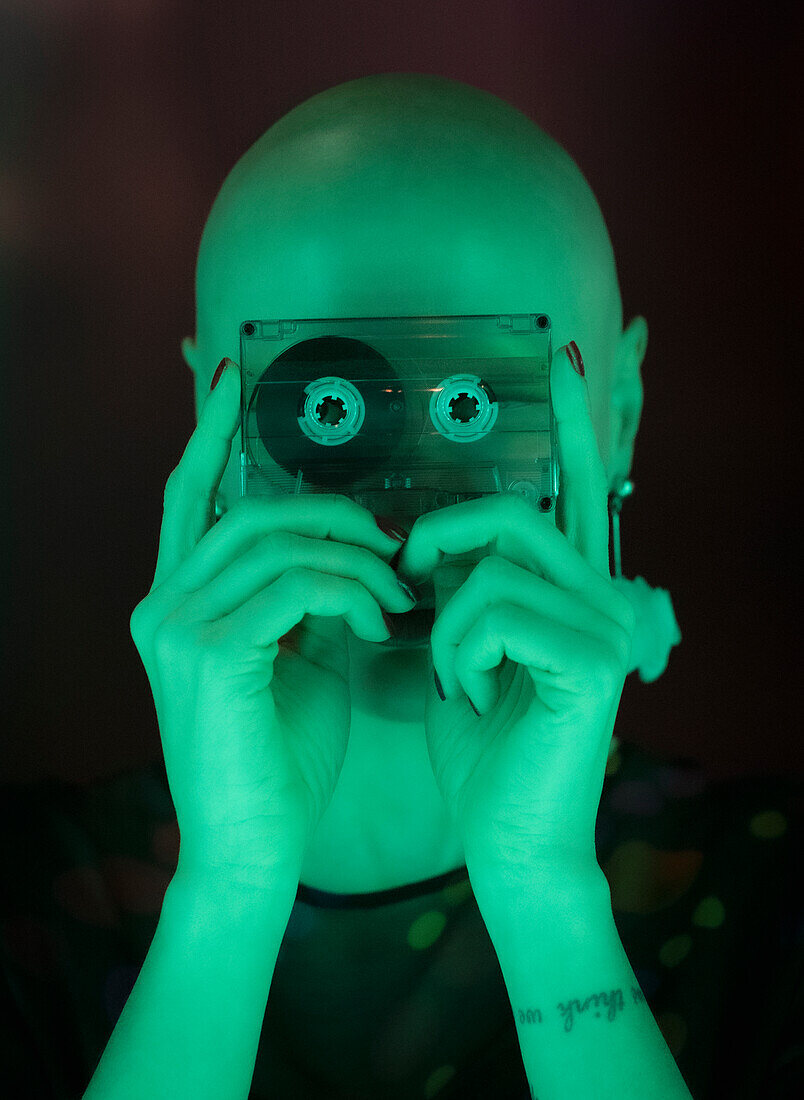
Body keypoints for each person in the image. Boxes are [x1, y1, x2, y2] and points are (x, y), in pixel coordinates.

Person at [2, 74, 799, 1100]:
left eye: (477, 402)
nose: (404, 511)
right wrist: (228, 886)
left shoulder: (776, 900)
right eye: (322, 404)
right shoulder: (23, 902)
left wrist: (546, 888)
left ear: (621, 408)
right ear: (208, 414)